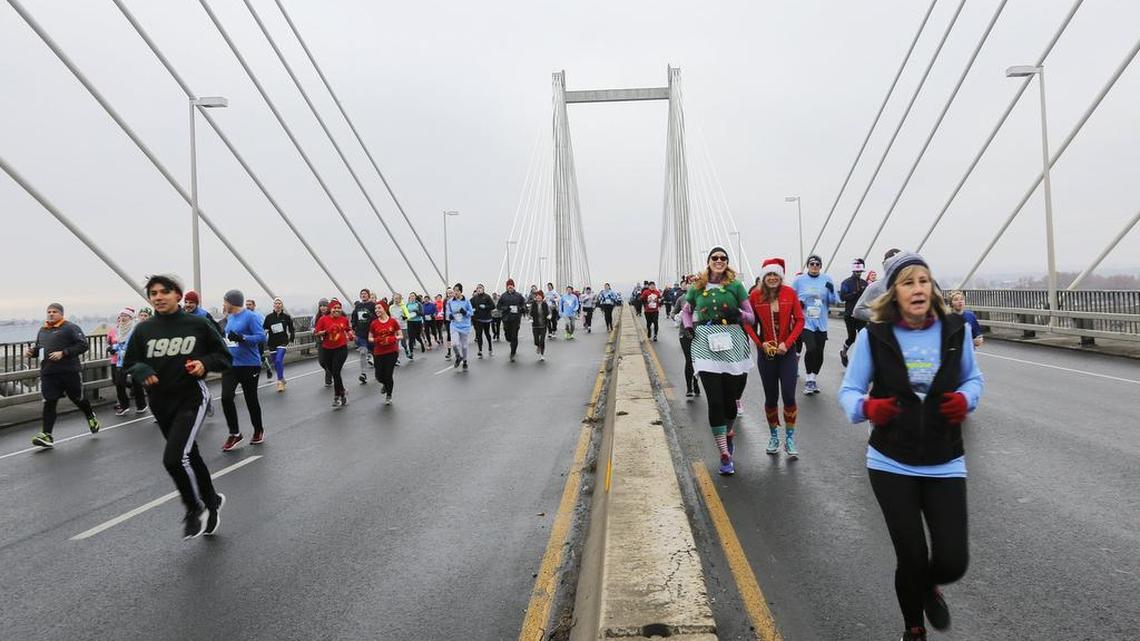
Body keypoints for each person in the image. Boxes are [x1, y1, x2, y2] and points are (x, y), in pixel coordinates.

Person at [838, 252, 983, 641]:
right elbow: (849, 391)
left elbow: (974, 379)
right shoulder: (875, 337)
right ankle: (913, 629)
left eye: (923, 280)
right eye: (907, 282)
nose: (917, 288)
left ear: (931, 287)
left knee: (952, 561)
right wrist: (867, 407)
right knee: (912, 556)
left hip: (945, 461)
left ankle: (929, 583)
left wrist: (965, 399)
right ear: (893, 293)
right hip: (890, 461)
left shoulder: (956, 331)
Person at [123, 274, 231, 539]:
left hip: (191, 397)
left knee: (173, 458)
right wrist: (142, 369)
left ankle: (194, 508)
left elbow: (223, 357)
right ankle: (212, 500)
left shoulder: (197, 324)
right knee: (189, 455)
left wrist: (204, 364)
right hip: (160, 401)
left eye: (164, 292)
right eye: (153, 293)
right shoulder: (144, 330)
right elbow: (130, 362)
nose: (158, 297)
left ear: (178, 296)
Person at [680, 247, 754, 475]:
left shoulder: (736, 286)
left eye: (723, 258)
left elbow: (751, 316)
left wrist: (739, 315)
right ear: (709, 261)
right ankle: (724, 453)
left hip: (733, 343)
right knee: (715, 400)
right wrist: (690, 327)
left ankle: (728, 432)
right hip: (705, 344)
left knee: (731, 402)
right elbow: (686, 311)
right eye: (715, 258)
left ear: (727, 262)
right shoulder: (697, 286)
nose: (719, 261)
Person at [748, 259, 806, 458]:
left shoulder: (790, 293)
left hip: (787, 353)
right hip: (766, 355)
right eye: (768, 275)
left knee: (789, 395)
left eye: (775, 275)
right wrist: (759, 343)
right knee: (771, 397)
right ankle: (774, 436)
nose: (772, 278)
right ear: (763, 277)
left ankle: (789, 438)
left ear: (780, 277)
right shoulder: (755, 296)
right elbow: (747, 323)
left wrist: (787, 344)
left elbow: (800, 320)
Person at [26, 302, 100, 447]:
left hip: (69, 371)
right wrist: (31, 352)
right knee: (49, 401)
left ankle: (90, 415)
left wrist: (63, 353)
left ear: (61, 313)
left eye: (54, 312)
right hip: (48, 372)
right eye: (49, 312)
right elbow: (39, 348)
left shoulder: (70, 327)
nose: (51, 314)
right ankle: (47, 435)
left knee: (77, 398)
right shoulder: (43, 330)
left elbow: (83, 345)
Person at [220, 290, 267, 451]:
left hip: (249, 364)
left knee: (251, 399)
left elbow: (262, 337)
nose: (224, 304)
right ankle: (235, 433)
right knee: (226, 397)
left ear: (232, 302)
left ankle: (258, 429)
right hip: (231, 365)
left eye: (225, 301)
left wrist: (243, 338)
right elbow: (228, 338)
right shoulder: (229, 318)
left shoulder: (250, 316)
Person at [793, 254, 839, 395]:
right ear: (808, 265)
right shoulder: (799, 280)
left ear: (820, 266)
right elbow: (791, 298)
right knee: (811, 348)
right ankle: (808, 379)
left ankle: (813, 377)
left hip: (822, 322)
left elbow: (835, 300)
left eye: (817, 264)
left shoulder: (827, 279)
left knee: (819, 352)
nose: (814, 266)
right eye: (812, 264)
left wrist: (831, 290)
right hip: (806, 322)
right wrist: (798, 304)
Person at [107, 307, 147, 417]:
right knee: (119, 382)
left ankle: (141, 405)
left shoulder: (135, 328)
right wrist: (113, 348)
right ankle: (124, 406)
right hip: (121, 360)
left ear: (130, 317)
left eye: (125, 316)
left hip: (134, 359)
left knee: (136, 382)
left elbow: (138, 342)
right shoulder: (120, 328)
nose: (123, 318)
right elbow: (119, 343)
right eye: (121, 316)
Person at [314, 299, 353, 407]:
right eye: (335, 308)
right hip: (327, 349)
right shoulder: (323, 320)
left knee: (336, 372)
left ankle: (336, 397)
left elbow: (348, 329)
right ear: (330, 309)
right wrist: (326, 331)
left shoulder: (344, 319)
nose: (337, 310)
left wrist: (350, 334)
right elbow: (316, 333)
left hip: (341, 349)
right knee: (333, 372)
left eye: (339, 308)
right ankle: (342, 391)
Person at [853, 248, 904, 323]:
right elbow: (858, 311)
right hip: (883, 332)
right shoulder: (876, 287)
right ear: (884, 264)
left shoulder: (912, 286)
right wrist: (882, 317)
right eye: (891, 263)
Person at [671, 279, 699, 399]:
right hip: (685, 333)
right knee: (689, 360)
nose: (691, 285)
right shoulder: (681, 299)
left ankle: (696, 383)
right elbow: (673, 313)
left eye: (694, 283)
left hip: (700, 334)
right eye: (689, 283)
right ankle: (689, 388)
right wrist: (677, 317)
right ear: (685, 286)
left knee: (698, 361)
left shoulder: (702, 297)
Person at [369, 302, 402, 405]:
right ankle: (385, 384)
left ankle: (389, 395)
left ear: (384, 308)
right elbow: (369, 338)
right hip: (379, 352)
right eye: (375, 308)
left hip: (391, 351)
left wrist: (392, 338)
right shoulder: (374, 323)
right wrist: (376, 340)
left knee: (388, 374)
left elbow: (400, 335)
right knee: (378, 375)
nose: (377, 310)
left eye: (379, 308)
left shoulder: (393, 322)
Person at [840, 258, 869, 367]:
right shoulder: (846, 282)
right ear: (853, 271)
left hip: (861, 315)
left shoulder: (865, 283)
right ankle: (843, 352)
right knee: (852, 338)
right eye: (857, 271)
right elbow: (842, 297)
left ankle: (861, 360)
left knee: (864, 337)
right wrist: (854, 293)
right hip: (850, 315)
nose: (859, 273)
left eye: (860, 271)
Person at [263, 297, 295, 392]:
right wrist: (265, 332)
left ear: (282, 305)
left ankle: (279, 382)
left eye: (279, 303)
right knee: (276, 363)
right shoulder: (269, 317)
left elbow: (291, 328)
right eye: (276, 303)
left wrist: (292, 337)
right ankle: (282, 378)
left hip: (282, 341)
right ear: (274, 305)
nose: (277, 305)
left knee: (278, 360)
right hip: (272, 342)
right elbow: (264, 328)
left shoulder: (286, 317)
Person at [497, 279, 527, 362]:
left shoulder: (519, 295)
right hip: (506, 319)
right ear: (507, 287)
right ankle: (510, 341)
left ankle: (512, 353)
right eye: (508, 286)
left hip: (516, 319)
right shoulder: (503, 296)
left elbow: (523, 305)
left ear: (513, 286)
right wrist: (506, 308)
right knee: (508, 335)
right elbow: (499, 306)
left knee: (514, 336)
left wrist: (520, 308)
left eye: (511, 286)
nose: (510, 288)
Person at [446, 284, 475, 370]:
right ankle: (458, 356)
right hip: (454, 325)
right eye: (454, 290)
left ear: (461, 291)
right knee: (454, 344)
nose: (455, 292)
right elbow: (448, 312)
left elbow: (471, 313)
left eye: (457, 290)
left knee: (464, 346)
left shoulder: (466, 301)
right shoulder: (450, 301)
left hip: (465, 326)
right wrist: (450, 315)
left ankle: (465, 361)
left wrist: (465, 312)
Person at [351, 289, 376, 384]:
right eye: (362, 294)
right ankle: (363, 374)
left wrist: (369, 315)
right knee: (363, 352)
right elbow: (354, 317)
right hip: (360, 333)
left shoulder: (372, 305)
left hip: (371, 333)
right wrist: (353, 326)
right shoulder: (358, 306)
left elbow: (377, 317)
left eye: (365, 294)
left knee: (375, 353)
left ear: (368, 295)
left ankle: (378, 371)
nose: (363, 295)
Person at [471, 284, 495, 357]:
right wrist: (472, 309)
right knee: (479, 334)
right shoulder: (474, 298)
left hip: (486, 319)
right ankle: (480, 350)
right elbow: (468, 305)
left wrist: (485, 307)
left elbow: (493, 306)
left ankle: (490, 347)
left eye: (480, 288)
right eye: (477, 288)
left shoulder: (487, 297)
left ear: (483, 289)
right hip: (478, 319)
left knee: (487, 334)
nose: (479, 289)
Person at [314, 298, 332, 386]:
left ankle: (328, 380)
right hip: (320, 342)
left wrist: (325, 332)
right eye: (321, 306)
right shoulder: (317, 317)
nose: (322, 308)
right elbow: (314, 329)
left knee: (328, 360)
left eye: (324, 305)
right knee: (321, 361)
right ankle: (330, 371)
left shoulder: (331, 316)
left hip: (329, 341)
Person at [529, 289, 549, 361]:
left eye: (539, 296)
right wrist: (530, 318)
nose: (538, 297)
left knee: (542, 340)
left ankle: (542, 355)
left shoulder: (545, 304)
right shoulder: (533, 304)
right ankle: (538, 346)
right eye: (537, 296)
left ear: (542, 297)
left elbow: (549, 312)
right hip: (535, 325)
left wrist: (549, 315)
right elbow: (530, 313)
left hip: (543, 325)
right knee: (536, 341)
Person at [405, 292, 427, 357]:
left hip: (418, 322)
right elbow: (406, 314)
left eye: (413, 296)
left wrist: (417, 312)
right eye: (410, 296)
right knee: (411, 337)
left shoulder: (418, 304)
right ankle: (411, 352)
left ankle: (422, 344)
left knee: (417, 336)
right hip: (410, 322)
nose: (412, 297)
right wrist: (405, 317)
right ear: (409, 297)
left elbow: (422, 313)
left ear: (415, 297)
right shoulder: (407, 305)